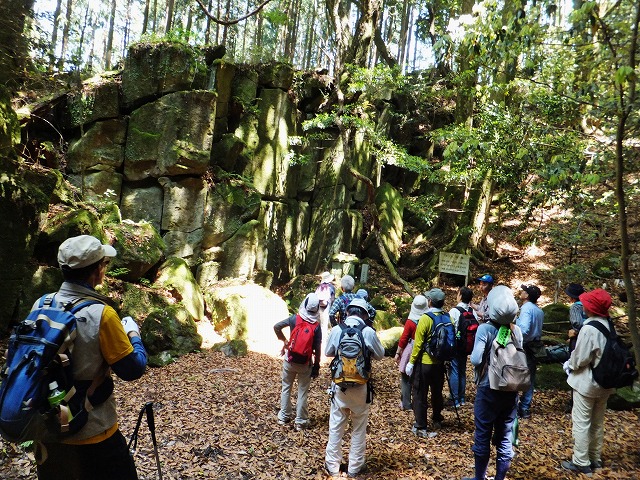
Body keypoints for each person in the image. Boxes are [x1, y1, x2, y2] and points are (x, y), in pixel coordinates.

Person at [37, 235, 147, 480]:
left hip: (49, 429)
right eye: (104, 265)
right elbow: (132, 369)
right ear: (97, 271)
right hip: (94, 432)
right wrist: (133, 335)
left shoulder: (41, 304)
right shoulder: (102, 315)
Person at [463, 285, 521, 480]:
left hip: (488, 388)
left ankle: (479, 477)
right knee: (505, 436)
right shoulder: (517, 331)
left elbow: (476, 359)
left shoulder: (485, 329)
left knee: (483, 434)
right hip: (512, 388)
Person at [325, 298, 384, 478]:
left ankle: (333, 466)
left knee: (336, 425)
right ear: (365, 314)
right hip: (361, 387)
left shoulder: (337, 330)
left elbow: (328, 352)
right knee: (359, 427)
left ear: (347, 312)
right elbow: (380, 355)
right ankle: (354, 468)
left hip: (340, 385)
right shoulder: (368, 332)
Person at [561, 289, 616, 476]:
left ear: (591, 307)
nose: (583, 306)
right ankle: (595, 458)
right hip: (605, 383)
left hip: (588, 383)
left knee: (582, 422)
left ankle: (581, 461)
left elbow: (580, 359)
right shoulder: (609, 324)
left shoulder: (589, 328)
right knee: (598, 422)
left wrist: (569, 364)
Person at [273, 293, 322, 431]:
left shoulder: (295, 318)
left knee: (286, 387)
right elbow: (317, 348)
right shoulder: (316, 327)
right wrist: (316, 366)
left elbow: (276, 327)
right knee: (302, 392)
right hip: (305, 363)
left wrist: (284, 340)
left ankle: (284, 416)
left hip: (290, 359)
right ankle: (300, 421)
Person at [405, 288, 448, 437]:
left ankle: (421, 425)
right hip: (440, 363)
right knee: (437, 392)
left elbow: (418, 344)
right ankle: (437, 418)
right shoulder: (448, 317)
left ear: (430, 301)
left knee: (419, 393)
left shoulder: (425, 318)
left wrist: (411, 362)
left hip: (425, 363)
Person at [394, 295, 428, 410]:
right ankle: (418, 403)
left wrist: (398, 353)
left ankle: (406, 403)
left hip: (410, 348)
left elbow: (404, 338)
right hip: (424, 350)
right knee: (419, 377)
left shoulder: (410, 322)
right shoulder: (428, 319)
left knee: (405, 377)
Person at [515, 284, 544, 419]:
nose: (521, 292)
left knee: (515, 376)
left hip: (525, 346)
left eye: (524, 291)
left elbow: (524, 330)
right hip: (535, 347)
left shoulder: (526, 308)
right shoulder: (539, 311)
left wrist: (514, 328)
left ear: (527, 296)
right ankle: (525, 407)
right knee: (530, 378)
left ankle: (514, 407)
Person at [448, 286, 476, 408]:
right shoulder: (471, 311)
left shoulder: (454, 311)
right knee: (462, 371)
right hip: (466, 346)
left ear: (460, 296)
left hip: (456, 345)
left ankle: (455, 399)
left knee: (454, 370)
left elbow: (450, 328)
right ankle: (462, 398)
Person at [565, 283, 586, 353]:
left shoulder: (575, 307)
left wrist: (575, 333)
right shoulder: (586, 304)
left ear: (572, 297)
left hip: (580, 335)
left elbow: (577, 322)